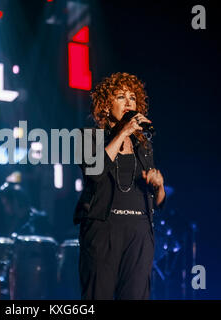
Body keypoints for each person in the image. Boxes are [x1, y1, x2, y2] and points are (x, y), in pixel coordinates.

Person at [74, 72, 166, 300]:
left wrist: (159, 186)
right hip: (104, 230)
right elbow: (94, 172)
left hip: (140, 231)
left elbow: (157, 202)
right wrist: (124, 130)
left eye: (132, 98)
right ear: (106, 106)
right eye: (120, 97)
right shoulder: (87, 136)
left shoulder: (143, 145)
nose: (128, 102)